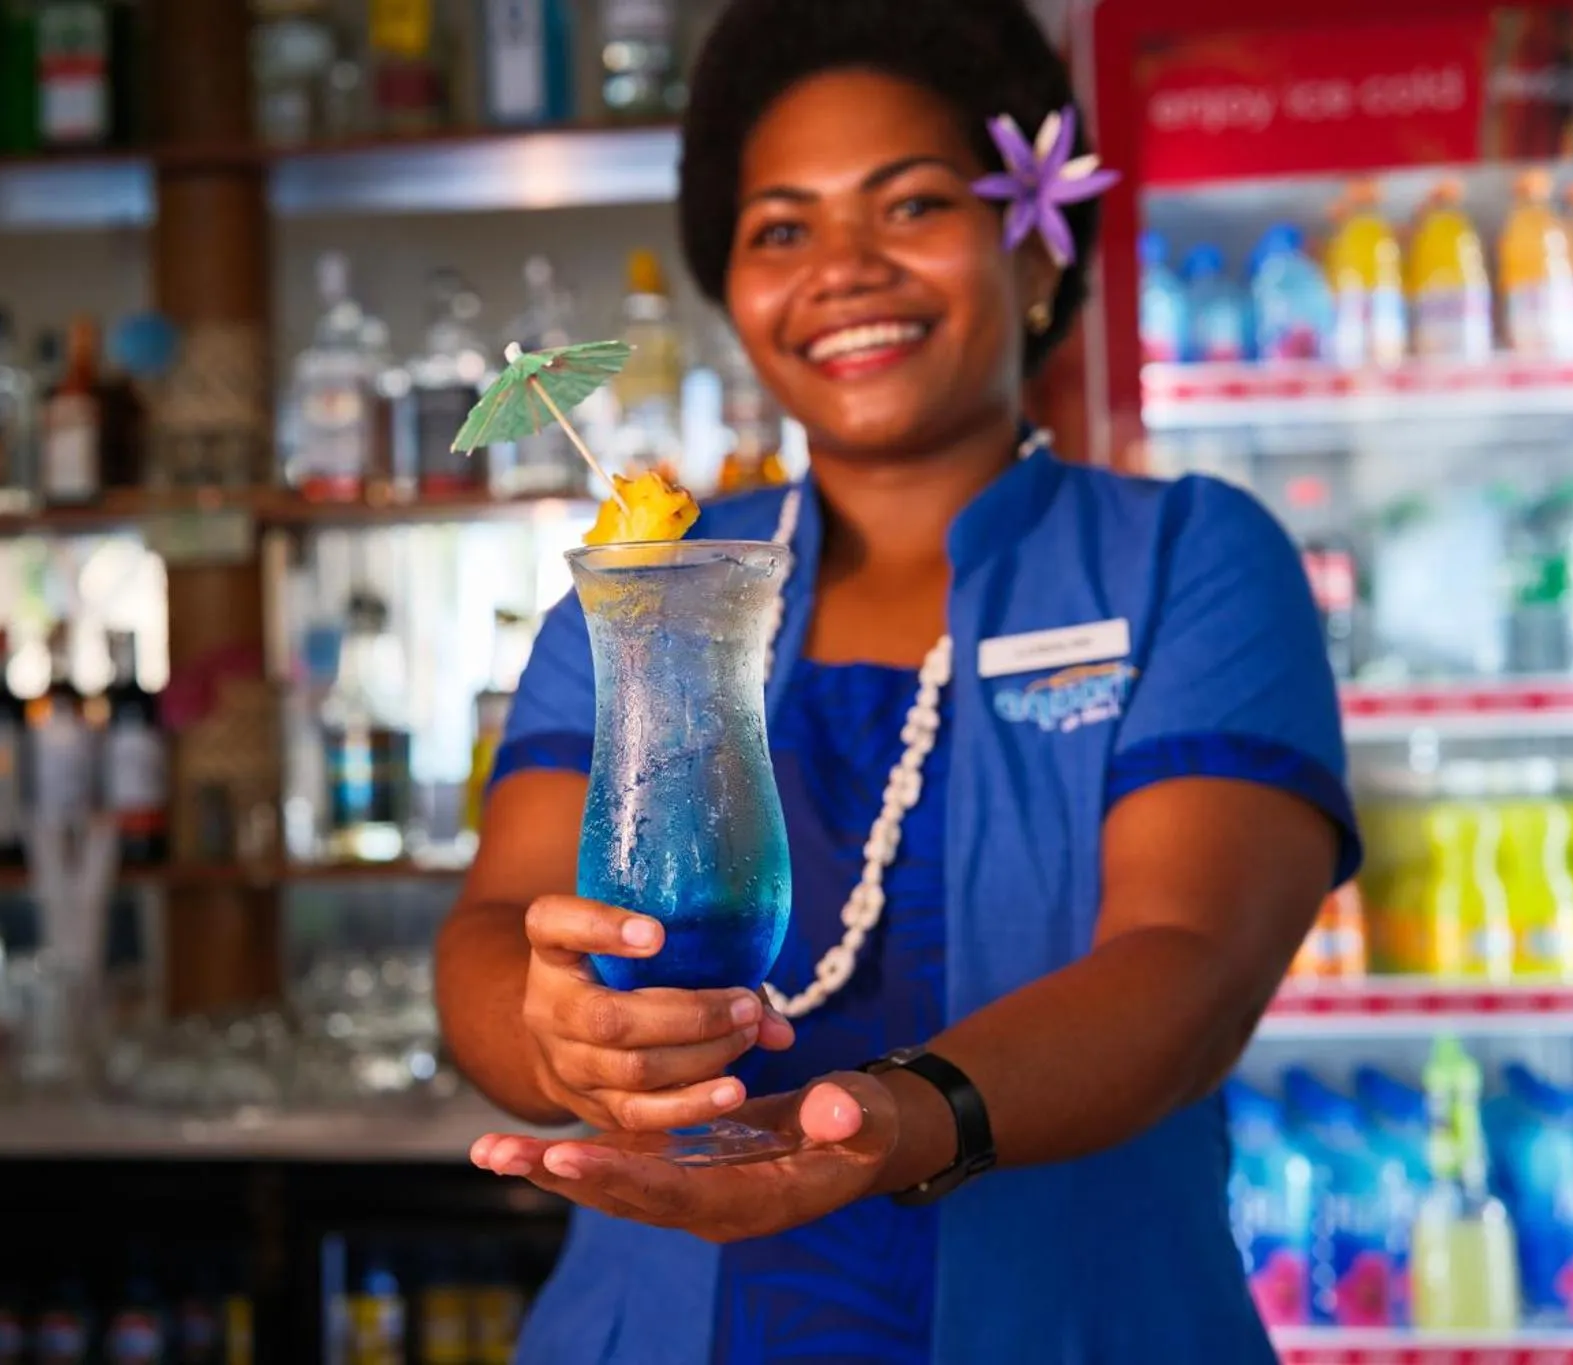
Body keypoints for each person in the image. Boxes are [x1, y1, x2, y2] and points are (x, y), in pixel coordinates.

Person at [434, 0, 1361, 1360]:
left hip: (1081, 1321)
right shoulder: (650, 583)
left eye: (911, 203)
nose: (844, 270)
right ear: (735, 291)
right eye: (782, 229)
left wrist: (903, 1120)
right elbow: (495, 928)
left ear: (1032, 246)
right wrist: (559, 1040)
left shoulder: (1188, 559)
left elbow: (1193, 960)